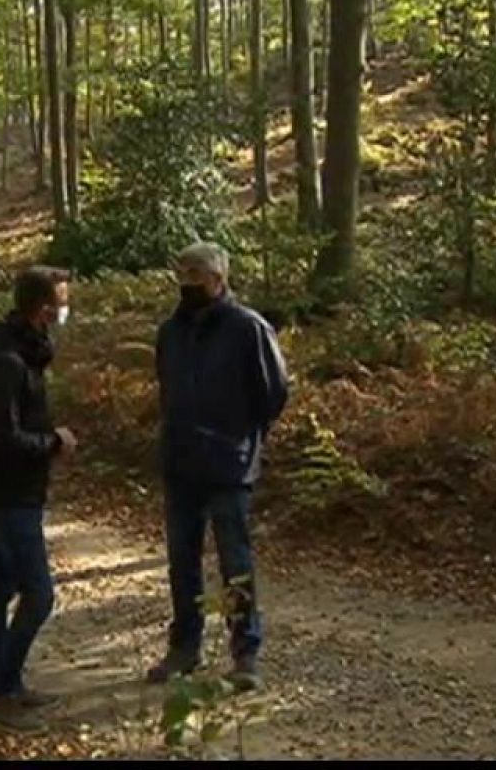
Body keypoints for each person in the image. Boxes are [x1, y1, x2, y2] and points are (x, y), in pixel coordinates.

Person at [146, 242, 289, 693]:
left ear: (219, 279)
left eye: (197, 275)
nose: (188, 283)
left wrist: (242, 436)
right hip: (180, 461)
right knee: (181, 561)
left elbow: (273, 392)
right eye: (183, 275)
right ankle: (185, 647)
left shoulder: (248, 328)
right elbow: (165, 386)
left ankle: (245, 653)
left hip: (229, 464)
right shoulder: (170, 332)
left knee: (235, 561)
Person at [0, 266, 77, 732]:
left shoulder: (25, 355)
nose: (65, 309)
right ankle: (2, 691)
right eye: (61, 300)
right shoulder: (7, 362)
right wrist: (53, 443)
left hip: (19, 490)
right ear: (41, 309)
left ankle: (7, 685)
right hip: (10, 492)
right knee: (39, 594)